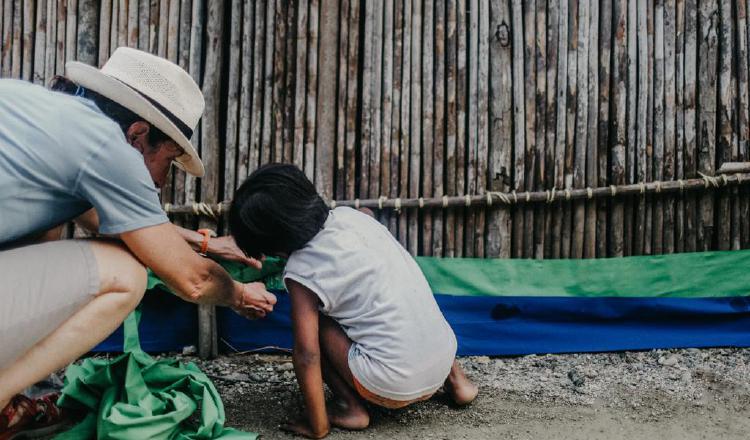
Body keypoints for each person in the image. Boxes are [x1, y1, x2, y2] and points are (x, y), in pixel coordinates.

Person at [0, 47, 277, 436]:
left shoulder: (36, 109)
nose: (161, 182)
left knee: (49, 232)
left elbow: (102, 220)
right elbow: (192, 280)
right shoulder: (108, 149)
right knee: (125, 274)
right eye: (168, 159)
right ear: (138, 134)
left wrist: (208, 244)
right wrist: (239, 294)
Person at [229, 164, 478, 439]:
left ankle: (349, 407)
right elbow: (367, 216)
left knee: (315, 322)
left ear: (273, 242)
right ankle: (459, 384)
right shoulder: (354, 217)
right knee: (405, 292)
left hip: (392, 384)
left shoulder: (302, 272)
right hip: (443, 355)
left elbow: (307, 356)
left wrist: (317, 426)